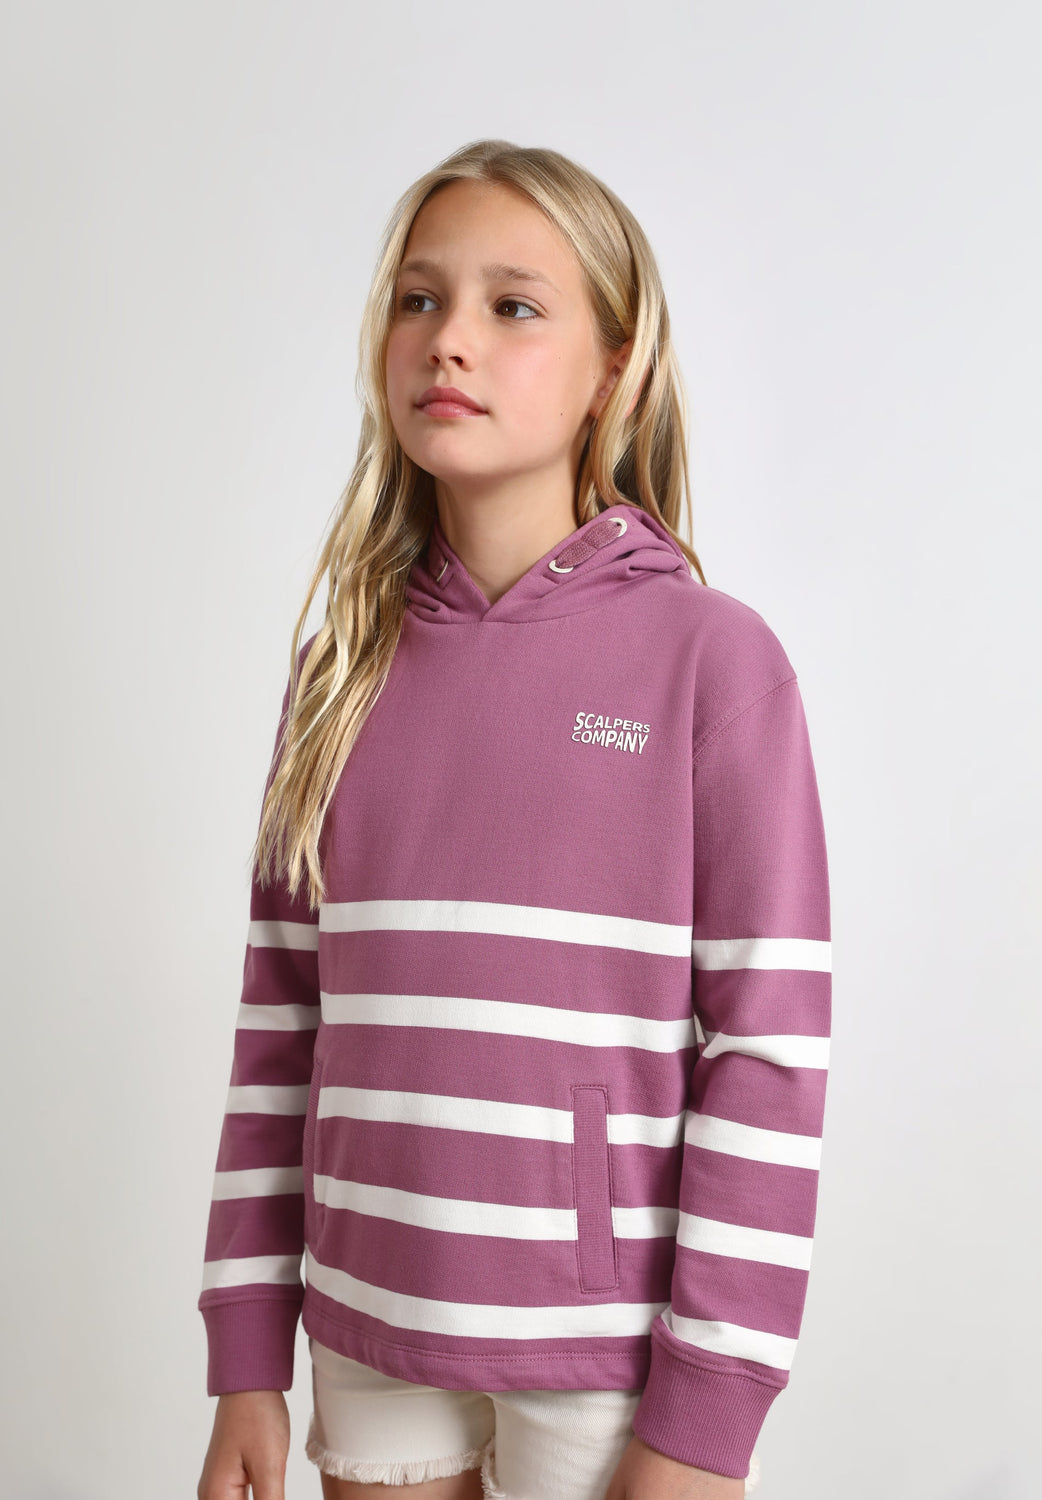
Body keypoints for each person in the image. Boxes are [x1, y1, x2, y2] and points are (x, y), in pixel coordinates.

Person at [195, 139, 831, 1500]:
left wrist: (708, 1413)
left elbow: (770, 1051)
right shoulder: (340, 673)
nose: (450, 339)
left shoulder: (710, 663)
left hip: (602, 1351)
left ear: (614, 368)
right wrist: (246, 1351)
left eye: (513, 305)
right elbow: (281, 1022)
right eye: (419, 299)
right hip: (364, 1321)